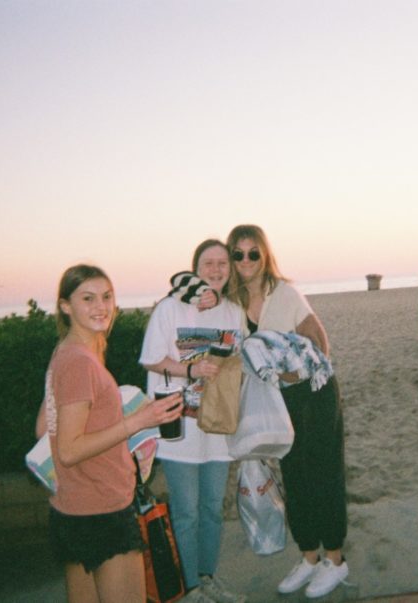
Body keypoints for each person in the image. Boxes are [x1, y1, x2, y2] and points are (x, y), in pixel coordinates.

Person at [35, 264, 183, 603]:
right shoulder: (80, 363)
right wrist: (138, 422)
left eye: (106, 296)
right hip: (102, 510)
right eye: (87, 298)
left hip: (71, 508)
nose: (101, 306)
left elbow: (44, 428)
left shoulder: (66, 352)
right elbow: (70, 450)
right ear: (65, 306)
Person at [225, 225, 349, 599]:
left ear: (265, 256)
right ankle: (309, 557)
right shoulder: (230, 304)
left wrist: (294, 373)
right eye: (238, 254)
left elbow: (319, 340)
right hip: (278, 402)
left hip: (313, 393)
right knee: (294, 477)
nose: (246, 261)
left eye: (253, 253)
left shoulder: (285, 293)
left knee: (324, 474)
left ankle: (337, 561)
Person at [140, 239, 247, 603]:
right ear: (195, 268)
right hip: (179, 427)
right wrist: (191, 369)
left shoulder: (233, 311)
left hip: (218, 426)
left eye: (222, 264)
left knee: (212, 509)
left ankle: (209, 577)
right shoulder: (169, 310)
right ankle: (191, 590)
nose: (215, 271)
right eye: (207, 264)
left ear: (229, 269)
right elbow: (152, 359)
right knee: (185, 512)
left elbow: (239, 364)